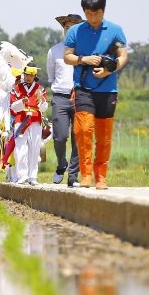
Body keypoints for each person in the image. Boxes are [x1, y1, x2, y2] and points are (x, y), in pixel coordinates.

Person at [64, 0, 128, 190]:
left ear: (104, 10)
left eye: (97, 13)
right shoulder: (75, 31)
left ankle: (101, 176)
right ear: (84, 12)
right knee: (83, 130)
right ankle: (86, 175)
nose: (93, 18)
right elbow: (68, 57)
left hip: (108, 90)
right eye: (89, 14)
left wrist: (109, 70)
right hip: (83, 88)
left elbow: (123, 56)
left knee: (104, 135)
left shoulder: (115, 30)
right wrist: (84, 59)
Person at [48, 14, 84, 187]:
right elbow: (51, 76)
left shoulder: (85, 51)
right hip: (60, 97)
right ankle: (62, 163)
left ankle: (72, 176)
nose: (68, 30)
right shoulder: (54, 51)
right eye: (66, 27)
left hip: (79, 97)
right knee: (60, 137)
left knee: (77, 137)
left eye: (72, 27)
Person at [9, 66, 49, 185]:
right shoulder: (16, 89)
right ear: (23, 75)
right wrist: (22, 102)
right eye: (27, 75)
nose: (28, 78)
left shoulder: (40, 89)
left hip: (35, 120)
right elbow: (13, 107)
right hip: (21, 120)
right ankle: (22, 175)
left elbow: (44, 108)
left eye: (31, 76)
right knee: (20, 148)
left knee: (35, 148)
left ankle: (32, 176)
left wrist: (41, 101)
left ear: (35, 76)